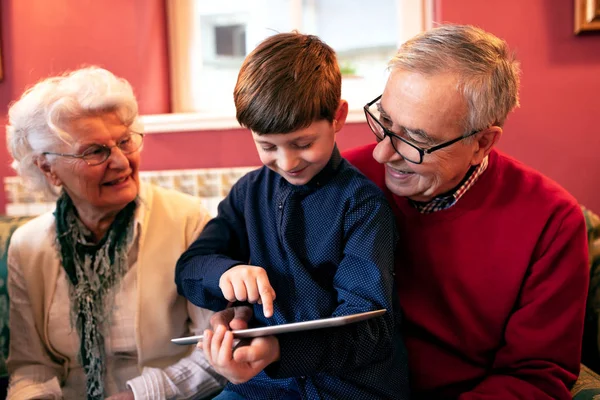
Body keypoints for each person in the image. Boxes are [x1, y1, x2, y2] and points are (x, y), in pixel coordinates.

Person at [342, 24, 588, 399]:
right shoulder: (344, 180)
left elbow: (536, 376)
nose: (382, 154)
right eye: (385, 122)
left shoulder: (552, 222)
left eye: (416, 141)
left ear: (482, 143)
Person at [175, 32, 410, 399]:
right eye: (267, 146)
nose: (287, 162)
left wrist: (279, 350)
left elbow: (370, 331)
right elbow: (189, 270)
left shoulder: (363, 205)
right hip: (261, 387)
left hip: (348, 389)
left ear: (338, 117)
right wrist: (225, 274)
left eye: (302, 144)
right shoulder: (248, 193)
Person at [5, 67, 226, 399]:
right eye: (95, 151)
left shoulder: (188, 221)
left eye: (125, 141)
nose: (122, 162)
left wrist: (139, 396)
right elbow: (32, 365)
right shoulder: (28, 246)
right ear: (48, 168)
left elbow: (214, 352)